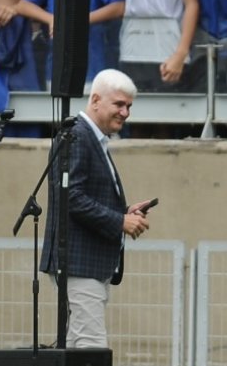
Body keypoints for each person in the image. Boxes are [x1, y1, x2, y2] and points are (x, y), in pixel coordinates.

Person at [40, 69, 153, 349]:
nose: (125, 112)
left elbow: (78, 196)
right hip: (79, 264)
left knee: (79, 350)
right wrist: (119, 221)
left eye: (129, 106)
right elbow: (69, 198)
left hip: (85, 264)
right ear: (95, 100)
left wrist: (125, 212)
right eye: (119, 104)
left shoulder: (88, 137)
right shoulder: (77, 136)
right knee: (91, 350)